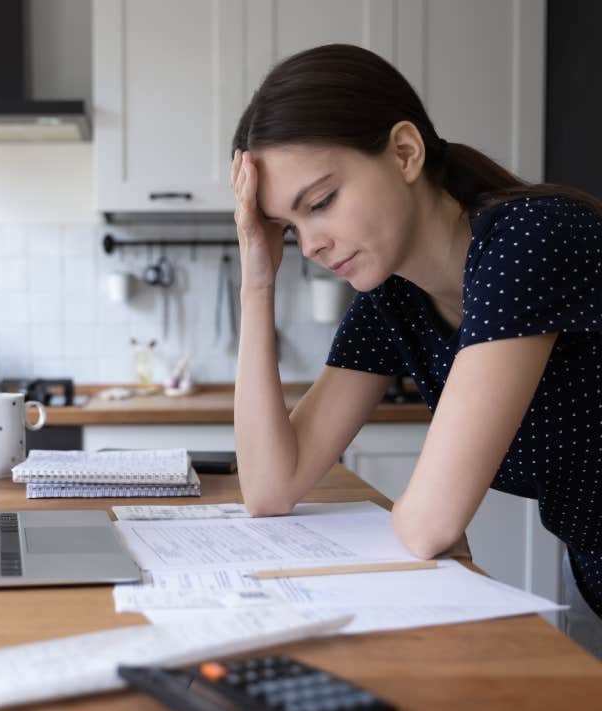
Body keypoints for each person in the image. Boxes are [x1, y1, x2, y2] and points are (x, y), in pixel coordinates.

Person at [229, 43, 602, 657]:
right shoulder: (393, 299)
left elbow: (430, 524)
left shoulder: (531, 238)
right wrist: (257, 277)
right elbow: (270, 488)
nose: (312, 244)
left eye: (320, 203)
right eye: (287, 227)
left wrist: (427, 525)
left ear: (405, 152)